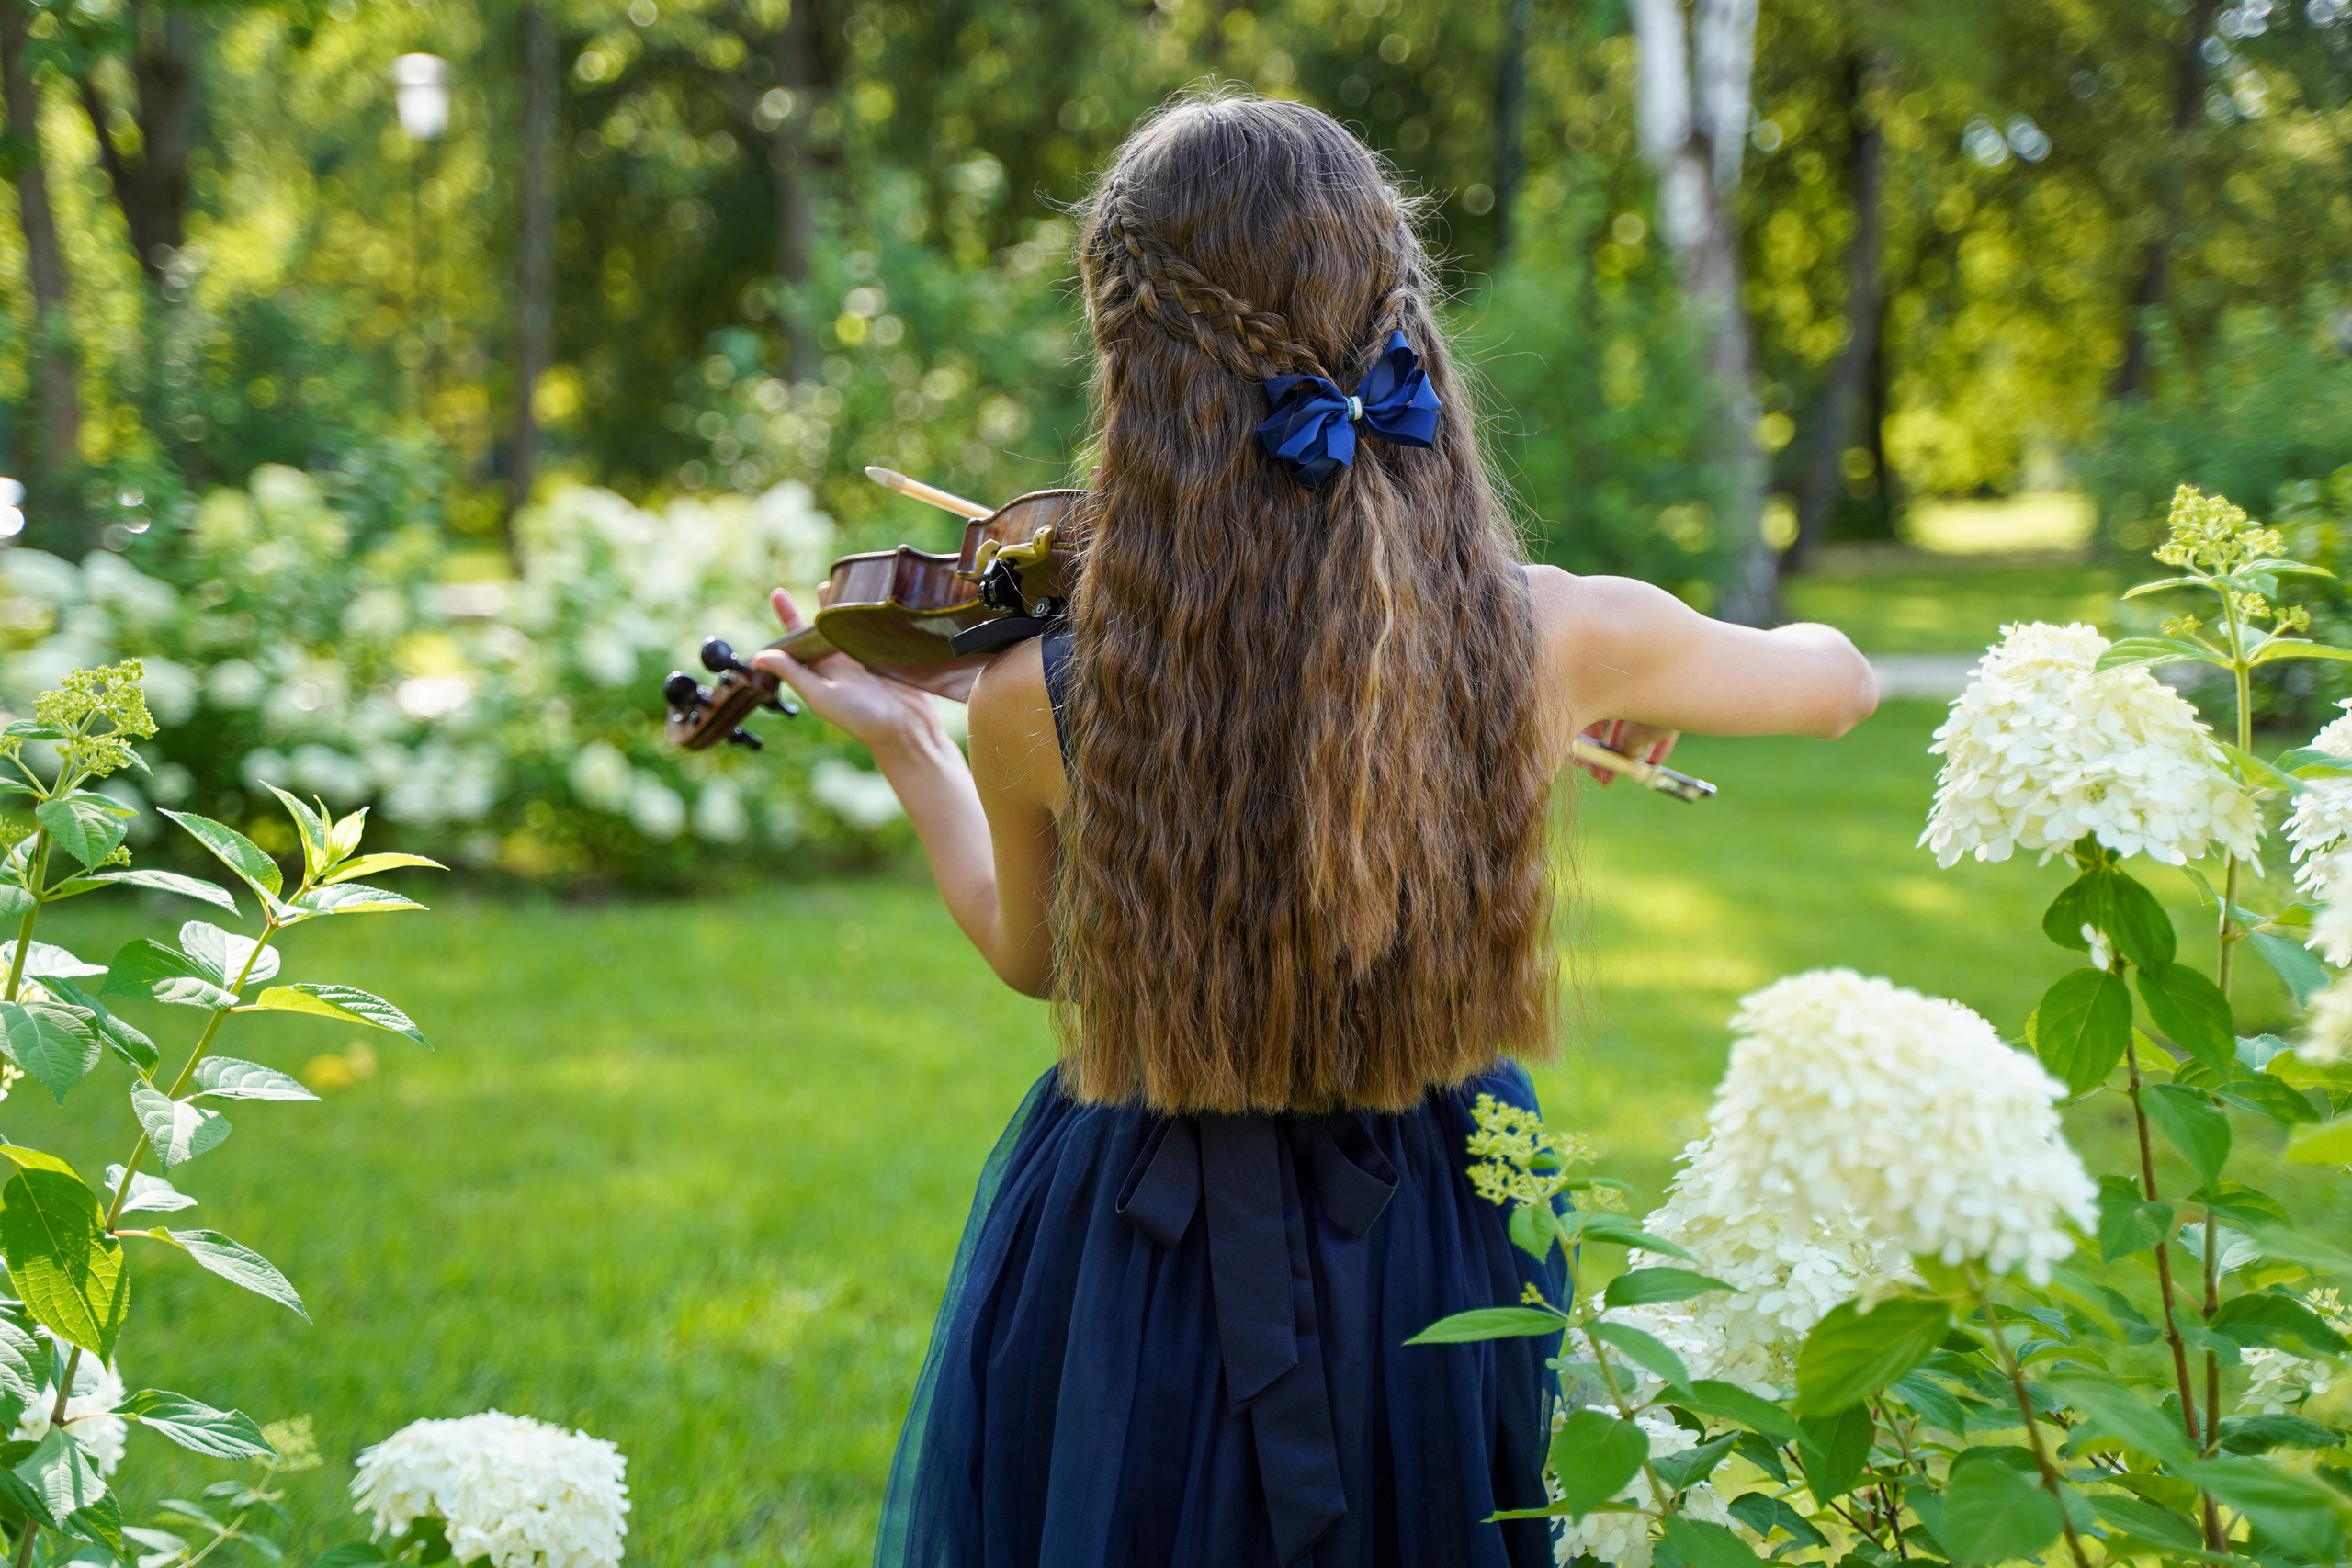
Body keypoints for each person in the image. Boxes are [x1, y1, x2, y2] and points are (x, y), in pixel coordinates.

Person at [756, 95, 1876, 1568]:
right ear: (1402, 317)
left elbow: (1034, 962)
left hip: (1134, 1257)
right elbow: (1841, 685)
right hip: (1439, 1235)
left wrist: (914, 745)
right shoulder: (1558, 635)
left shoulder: (1041, 690)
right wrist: (1609, 684)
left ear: (1132, 370)